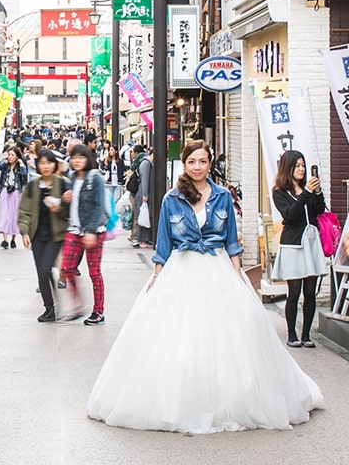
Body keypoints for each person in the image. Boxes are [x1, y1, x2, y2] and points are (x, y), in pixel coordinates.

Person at [87, 140, 323, 433]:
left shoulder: (222, 196)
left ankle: (233, 399)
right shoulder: (172, 198)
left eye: (202, 161)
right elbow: (164, 242)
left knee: (234, 333)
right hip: (182, 267)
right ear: (184, 165)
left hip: (217, 265)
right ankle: (180, 400)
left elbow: (232, 240)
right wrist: (157, 275)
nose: (197, 167)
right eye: (191, 162)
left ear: (210, 164)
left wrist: (238, 275)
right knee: (180, 336)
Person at [271, 150, 328, 347]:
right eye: (297, 166)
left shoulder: (308, 189)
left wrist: (318, 192)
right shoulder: (279, 192)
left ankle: (306, 335)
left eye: (303, 165)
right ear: (288, 168)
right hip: (293, 244)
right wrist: (306, 194)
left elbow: (319, 210)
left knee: (310, 291)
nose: (301, 169)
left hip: (311, 243)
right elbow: (290, 215)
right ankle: (291, 335)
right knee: (294, 291)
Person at [18, 149, 70, 322]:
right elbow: (24, 211)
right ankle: (50, 309)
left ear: (54, 164)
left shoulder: (62, 184)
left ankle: (51, 306)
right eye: (42, 163)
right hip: (37, 235)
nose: (46, 166)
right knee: (42, 273)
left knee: (45, 269)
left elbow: (70, 212)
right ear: (37, 165)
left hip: (56, 235)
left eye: (49, 162)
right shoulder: (33, 186)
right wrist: (24, 231)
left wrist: (61, 206)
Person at [60, 144, 108, 325]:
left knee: (94, 272)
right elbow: (71, 203)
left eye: (80, 157)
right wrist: (64, 200)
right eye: (73, 158)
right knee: (66, 267)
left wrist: (91, 231)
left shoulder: (95, 178)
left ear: (87, 159)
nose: (76, 161)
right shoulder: (72, 177)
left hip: (92, 230)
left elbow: (98, 206)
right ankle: (78, 305)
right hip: (74, 229)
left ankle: (99, 311)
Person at [0, 146, 27, 249]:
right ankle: (4, 240)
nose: (10, 157)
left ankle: (13, 239)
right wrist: (1, 157)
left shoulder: (20, 166)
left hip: (16, 192)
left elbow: (24, 176)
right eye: (9, 155)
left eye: (12, 155)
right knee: (4, 214)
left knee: (14, 215)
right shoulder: (5, 166)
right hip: (5, 191)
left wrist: (22, 165)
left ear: (17, 156)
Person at [134, 145, 154, 249]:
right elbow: (145, 179)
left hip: (144, 194)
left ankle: (144, 239)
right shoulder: (146, 164)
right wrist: (145, 195)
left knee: (145, 216)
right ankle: (142, 240)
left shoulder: (146, 163)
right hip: (143, 194)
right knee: (144, 216)